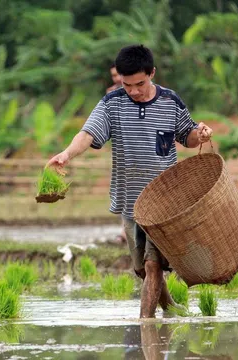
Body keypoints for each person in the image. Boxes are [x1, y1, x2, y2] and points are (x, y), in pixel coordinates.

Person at [46, 44, 213, 318]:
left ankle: (145, 323)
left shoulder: (171, 102)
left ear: (152, 73)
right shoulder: (112, 104)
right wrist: (66, 154)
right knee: (141, 268)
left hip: (163, 201)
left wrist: (201, 134)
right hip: (130, 200)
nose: (133, 90)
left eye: (140, 83)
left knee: (152, 265)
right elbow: (88, 133)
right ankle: (170, 308)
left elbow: (188, 135)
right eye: (127, 84)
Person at [106, 61, 127, 244]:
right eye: (113, 76)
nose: (116, 79)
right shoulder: (111, 94)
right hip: (121, 150)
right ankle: (124, 232)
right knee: (123, 192)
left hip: (140, 150)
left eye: (118, 74)